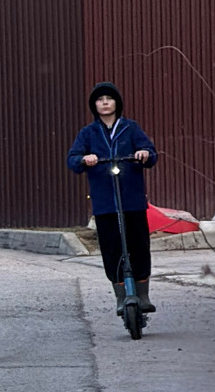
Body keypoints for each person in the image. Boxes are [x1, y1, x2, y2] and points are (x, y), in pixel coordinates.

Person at [67, 81, 158, 313]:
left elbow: (151, 153)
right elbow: (72, 160)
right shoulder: (88, 133)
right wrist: (84, 159)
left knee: (139, 245)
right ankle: (120, 295)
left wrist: (143, 153)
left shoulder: (130, 128)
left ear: (117, 103)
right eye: (100, 100)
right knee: (111, 249)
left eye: (109, 98)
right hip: (105, 203)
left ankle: (143, 294)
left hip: (132, 200)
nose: (105, 103)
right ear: (94, 105)